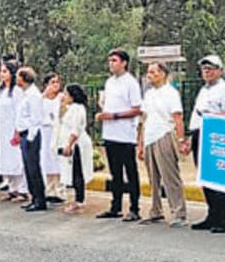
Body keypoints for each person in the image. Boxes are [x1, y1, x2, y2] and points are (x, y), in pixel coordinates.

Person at [185, 55, 225, 233]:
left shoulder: (224, 90)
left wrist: (210, 115)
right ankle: (213, 214)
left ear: (220, 71)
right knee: (206, 178)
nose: (207, 71)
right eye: (204, 69)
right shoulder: (204, 90)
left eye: (211, 68)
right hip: (200, 132)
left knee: (219, 179)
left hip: (217, 134)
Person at [95, 49, 143, 221]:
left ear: (124, 63)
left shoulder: (131, 83)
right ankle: (115, 206)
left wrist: (114, 116)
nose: (111, 64)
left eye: (115, 60)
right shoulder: (109, 82)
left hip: (125, 134)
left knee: (130, 172)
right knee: (115, 173)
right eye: (110, 61)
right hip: (110, 133)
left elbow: (137, 109)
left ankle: (134, 208)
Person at [139, 61, 188, 227]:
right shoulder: (149, 94)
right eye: (148, 72)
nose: (149, 75)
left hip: (164, 135)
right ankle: (155, 210)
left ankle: (179, 212)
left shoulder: (171, 93)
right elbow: (144, 119)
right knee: (153, 177)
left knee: (169, 176)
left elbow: (177, 118)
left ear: (163, 74)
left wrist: (181, 140)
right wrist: (140, 143)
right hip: (149, 136)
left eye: (153, 72)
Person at [14, 67, 48, 211]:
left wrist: (30, 138)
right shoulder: (25, 94)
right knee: (28, 168)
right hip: (24, 133)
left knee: (33, 168)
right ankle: (34, 197)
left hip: (30, 134)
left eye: (18, 77)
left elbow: (36, 119)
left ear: (23, 78)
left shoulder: (33, 95)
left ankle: (40, 199)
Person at [56, 84, 94, 213]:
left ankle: (79, 201)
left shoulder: (78, 109)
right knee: (73, 171)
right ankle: (77, 199)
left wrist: (69, 144)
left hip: (77, 144)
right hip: (72, 143)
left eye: (66, 94)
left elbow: (76, 129)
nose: (64, 96)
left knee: (78, 171)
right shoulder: (72, 108)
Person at [0, 61, 26, 201]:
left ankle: (22, 190)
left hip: (14, 130)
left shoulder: (17, 91)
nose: (2, 74)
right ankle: (12, 189)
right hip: (3, 131)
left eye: (5, 71)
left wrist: (17, 131)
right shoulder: (1, 90)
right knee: (6, 159)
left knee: (17, 159)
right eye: (1, 71)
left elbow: (19, 112)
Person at [40, 73, 64, 203]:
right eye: (52, 82)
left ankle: (60, 190)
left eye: (57, 82)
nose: (55, 85)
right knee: (47, 159)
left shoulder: (61, 98)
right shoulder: (41, 99)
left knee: (58, 160)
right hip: (45, 131)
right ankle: (49, 189)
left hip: (58, 131)